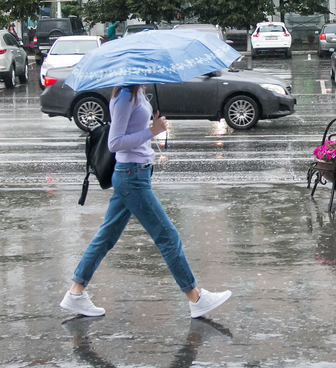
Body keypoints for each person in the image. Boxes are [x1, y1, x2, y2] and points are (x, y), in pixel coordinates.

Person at [60, 85, 232, 319]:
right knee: (167, 236)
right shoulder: (123, 97)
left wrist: (153, 126)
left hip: (136, 174)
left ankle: (75, 293)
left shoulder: (137, 91)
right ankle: (196, 297)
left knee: (106, 236)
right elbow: (115, 143)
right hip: (131, 177)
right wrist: (152, 131)